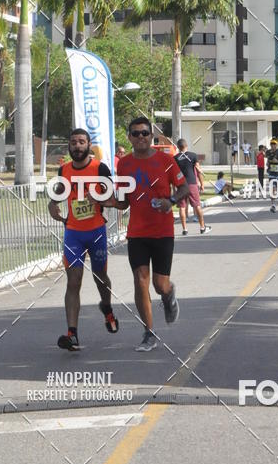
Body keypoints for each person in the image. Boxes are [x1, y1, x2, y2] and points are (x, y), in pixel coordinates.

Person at [110, 116, 189, 352]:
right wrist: (106, 201)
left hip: (163, 231)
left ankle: (169, 294)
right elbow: (123, 203)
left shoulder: (165, 160)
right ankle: (149, 332)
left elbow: (184, 187)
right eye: (136, 134)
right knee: (140, 281)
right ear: (129, 137)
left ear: (151, 136)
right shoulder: (123, 164)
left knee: (159, 284)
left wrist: (171, 201)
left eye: (145, 133)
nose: (141, 137)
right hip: (137, 233)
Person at [48, 128, 119, 351]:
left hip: (96, 232)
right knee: (73, 281)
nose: (77, 146)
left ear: (88, 145)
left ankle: (106, 308)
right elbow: (59, 190)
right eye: (73, 142)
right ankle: (72, 334)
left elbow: (114, 197)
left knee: (100, 277)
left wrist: (97, 197)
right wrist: (52, 203)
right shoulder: (64, 169)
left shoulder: (100, 168)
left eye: (81, 142)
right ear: (69, 146)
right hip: (73, 233)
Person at [174, 139, 211, 236]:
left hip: (181, 185)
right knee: (197, 205)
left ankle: (184, 229)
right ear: (186, 145)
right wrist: (202, 184)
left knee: (182, 207)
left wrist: (174, 187)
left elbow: (174, 174)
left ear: (178, 147)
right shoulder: (193, 155)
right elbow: (198, 170)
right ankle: (202, 227)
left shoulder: (175, 158)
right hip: (192, 184)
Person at [265, 138, 278, 212]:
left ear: (276, 145)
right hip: (271, 173)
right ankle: (273, 205)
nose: (273, 145)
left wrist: (277, 161)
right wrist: (268, 163)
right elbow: (267, 159)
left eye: (274, 144)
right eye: (271, 144)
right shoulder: (268, 152)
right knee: (272, 189)